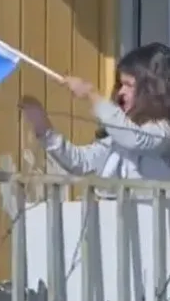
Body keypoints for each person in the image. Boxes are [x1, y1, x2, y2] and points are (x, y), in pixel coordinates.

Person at [20, 42, 170, 193]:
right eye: (120, 85)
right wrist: (44, 128)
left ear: (151, 90)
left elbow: (135, 139)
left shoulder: (164, 130)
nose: (120, 92)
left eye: (129, 85)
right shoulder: (117, 136)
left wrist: (91, 94)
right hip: (112, 214)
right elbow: (80, 162)